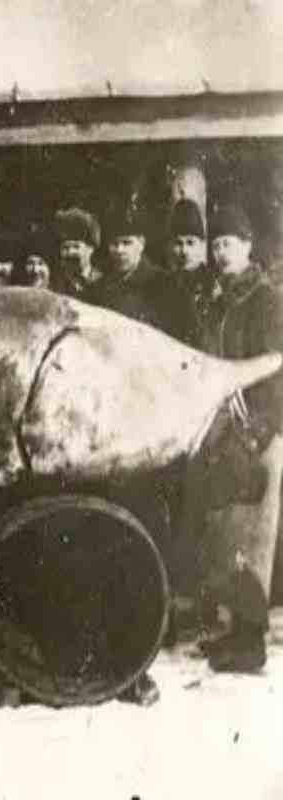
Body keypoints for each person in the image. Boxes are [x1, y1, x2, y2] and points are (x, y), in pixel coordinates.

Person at [185, 202, 283, 673]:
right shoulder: (217, 296)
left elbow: (276, 364)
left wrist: (261, 428)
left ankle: (250, 643)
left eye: (231, 243)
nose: (222, 251)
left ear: (248, 247)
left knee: (253, 533)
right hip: (224, 430)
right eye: (217, 243)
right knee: (226, 535)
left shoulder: (264, 297)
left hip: (260, 429)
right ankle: (231, 632)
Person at [90, 202, 170, 330]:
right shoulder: (99, 291)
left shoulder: (165, 285)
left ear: (141, 244)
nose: (119, 250)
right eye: (114, 244)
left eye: (127, 243)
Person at [160, 198, 218, 348]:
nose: (184, 251)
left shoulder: (213, 284)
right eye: (178, 243)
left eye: (190, 242)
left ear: (202, 245)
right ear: (170, 246)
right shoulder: (163, 284)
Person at [53, 207, 103, 300]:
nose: (70, 252)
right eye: (65, 248)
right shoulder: (54, 285)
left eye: (76, 247)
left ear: (90, 249)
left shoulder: (103, 283)